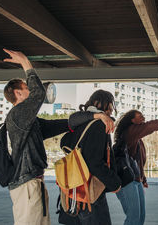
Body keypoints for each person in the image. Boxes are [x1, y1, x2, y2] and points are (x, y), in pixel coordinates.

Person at [3, 49, 114, 225]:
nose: (30, 91)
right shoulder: (17, 115)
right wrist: (25, 62)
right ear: (17, 93)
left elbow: (66, 123)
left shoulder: (31, 122)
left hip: (33, 183)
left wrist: (96, 116)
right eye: (26, 87)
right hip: (27, 185)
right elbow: (39, 93)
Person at [59, 90, 121, 225]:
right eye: (110, 105)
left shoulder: (79, 122)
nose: (111, 110)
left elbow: (64, 143)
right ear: (97, 103)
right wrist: (114, 183)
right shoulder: (98, 125)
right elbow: (94, 162)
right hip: (89, 192)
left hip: (72, 190)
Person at [114, 110, 158, 225]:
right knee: (133, 218)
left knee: (140, 217)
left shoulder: (137, 138)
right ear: (132, 120)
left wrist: (143, 179)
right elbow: (149, 127)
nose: (143, 118)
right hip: (126, 180)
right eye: (140, 116)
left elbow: (137, 161)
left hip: (135, 179)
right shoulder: (130, 132)